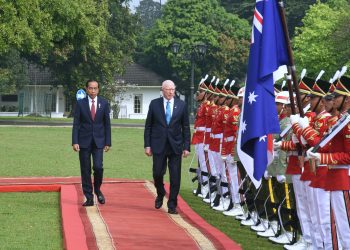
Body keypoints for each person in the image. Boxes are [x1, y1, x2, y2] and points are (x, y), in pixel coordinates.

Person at [144, 80, 191, 214]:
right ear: (162, 90)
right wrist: (147, 145)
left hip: (175, 146)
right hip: (158, 145)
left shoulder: (181, 105)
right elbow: (148, 126)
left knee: (175, 177)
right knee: (157, 173)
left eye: (172, 89)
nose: (171, 92)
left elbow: (186, 127)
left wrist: (186, 146)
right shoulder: (154, 104)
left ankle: (172, 205)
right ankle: (160, 193)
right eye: (168, 89)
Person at [72, 80, 111, 206]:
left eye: (95, 88)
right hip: (83, 142)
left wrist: (108, 142)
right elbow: (76, 124)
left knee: (98, 167)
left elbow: (107, 124)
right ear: (86, 89)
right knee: (85, 170)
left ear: (98, 89)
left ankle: (98, 189)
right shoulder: (80, 104)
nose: (93, 91)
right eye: (90, 88)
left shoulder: (104, 103)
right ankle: (88, 197)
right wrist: (75, 141)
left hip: (99, 142)